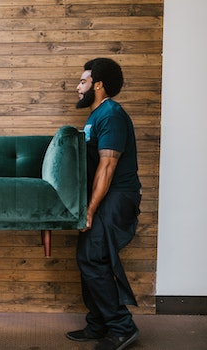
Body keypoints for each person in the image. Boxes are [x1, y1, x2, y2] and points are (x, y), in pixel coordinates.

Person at [66, 58, 142, 350]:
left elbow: (107, 166)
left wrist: (90, 209)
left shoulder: (111, 115)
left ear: (98, 85)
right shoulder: (96, 116)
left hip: (117, 196)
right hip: (104, 197)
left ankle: (123, 327)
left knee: (93, 257)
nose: (78, 86)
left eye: (83, 81)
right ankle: (98, 324)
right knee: (89, 257)